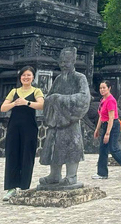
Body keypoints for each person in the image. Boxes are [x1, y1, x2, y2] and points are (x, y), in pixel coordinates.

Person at [39, 47, 91, 187]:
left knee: (72, 147)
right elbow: (49, 97)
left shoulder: (80, 78)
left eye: (66, 61)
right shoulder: (58, 79)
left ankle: (71, 175)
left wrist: (60, 99)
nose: (63, 64)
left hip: (71, 120)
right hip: (57, 120)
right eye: (61, 61)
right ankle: (54, 175)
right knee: (54, 146)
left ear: (73, 61)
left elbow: (84, 97)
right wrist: (52, 100)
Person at [0, 66, 44, 201]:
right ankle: (11, 187)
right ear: (20, 77)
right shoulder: (14, 91)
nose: (26, 77)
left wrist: (27, 102)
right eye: (24, 75)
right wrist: (14, 103)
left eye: (29, 75)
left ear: (32, 77)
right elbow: (3, 108)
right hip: (14, 127)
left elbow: (41, 105)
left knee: (27, 155)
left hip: (29, 127)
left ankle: (24, 186)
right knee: (12, 154)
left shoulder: (36, 91)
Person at [93, 80, 121, 180]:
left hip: (112, 125)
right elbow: (101, 116)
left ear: (109, 88)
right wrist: (97, 129)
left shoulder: (111, 100)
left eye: (104, 88)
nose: (102, 90)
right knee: (103, 149)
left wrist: (108, 133)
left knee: (113, 148)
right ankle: (102, 173)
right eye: (100, 88)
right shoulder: (103, 100)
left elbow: (111, 118)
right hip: (105, 125)